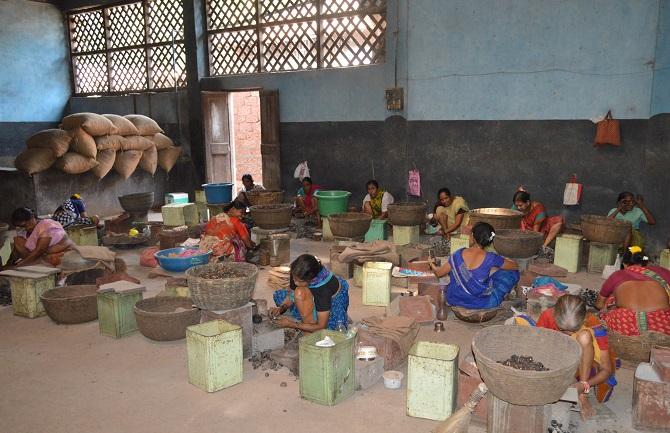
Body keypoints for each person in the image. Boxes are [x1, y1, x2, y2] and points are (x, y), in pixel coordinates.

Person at [537, 295, 616, 419]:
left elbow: (607, 370)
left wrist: (584, 386)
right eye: (562, 329)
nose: (567, 334)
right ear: (554, 315)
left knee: (584, 337)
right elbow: (539, 346)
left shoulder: (594, 326)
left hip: (584, 367)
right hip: (558, 360)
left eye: (573, 330)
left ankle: (582, 394)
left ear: (584, 319)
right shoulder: (547, 316)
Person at [429, 222, 519, 309]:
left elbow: (439, 273)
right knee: (512, 273)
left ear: (473, 236)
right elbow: (515, 266)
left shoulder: (457, 254)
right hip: (482, 303)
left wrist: (431, 262)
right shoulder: (491, 258)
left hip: (455, 299)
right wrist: (505, 260)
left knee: (455, 278)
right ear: (490, 241)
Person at [595, 246, 670, 336]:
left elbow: (599, 304)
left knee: (611, 299)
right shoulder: (663, 272)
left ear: (624, 264)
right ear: (646, 262)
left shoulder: (617, 275)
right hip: (662, 324)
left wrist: (613, 305)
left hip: (625, 324)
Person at [270, 254, 349, 332]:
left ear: (311, 279)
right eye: (294, 278)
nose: (295, 282)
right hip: (316, 294)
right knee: (279, 295)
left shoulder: (322, 291)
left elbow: (321, 326)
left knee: (331, 331)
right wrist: (281, 308)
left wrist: (291, 324)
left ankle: (332, 314)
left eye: (299, 281)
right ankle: (307, 319)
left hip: (332, 302)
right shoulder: (297, 271)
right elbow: (291, 294)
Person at [4, 207, 74, 268]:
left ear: (32, 218)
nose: (25, 228)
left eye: (25, 225)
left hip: (62, 254)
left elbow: (39, 251)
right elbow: (16, 252)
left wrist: (17, 266)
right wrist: (9, 263)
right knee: (18, 240)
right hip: (43, 258)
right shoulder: (24, 232)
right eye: (21, 227)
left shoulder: (46, 225)